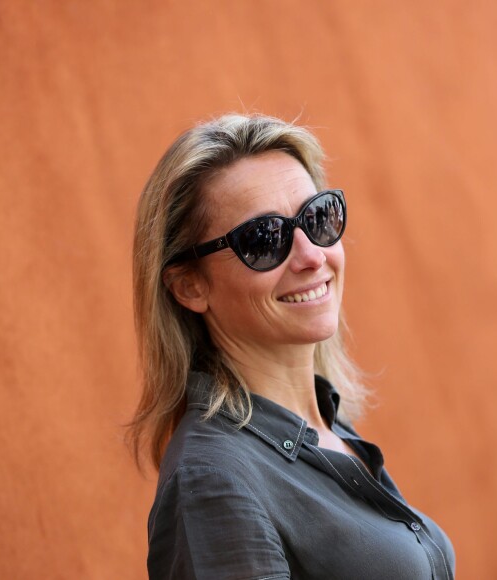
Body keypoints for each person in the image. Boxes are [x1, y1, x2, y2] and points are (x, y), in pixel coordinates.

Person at [129, 113, 456, 579]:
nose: (311, 256)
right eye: (264, 238)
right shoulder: (213, 481)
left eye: (317, 218)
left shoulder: (329, 429)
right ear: (189, 286)